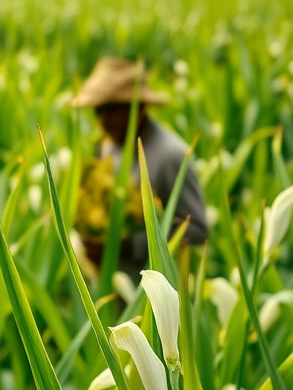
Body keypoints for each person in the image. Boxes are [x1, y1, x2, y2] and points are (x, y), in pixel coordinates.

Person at [71, 57, 208, 275]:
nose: (103, 121)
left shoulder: (171, 156)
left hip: (157, 284)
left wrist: (130, 247)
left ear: (140, 107)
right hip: (112, 277)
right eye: (98, 111)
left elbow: (198, 230)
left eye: (112, 110)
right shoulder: (108, 145)